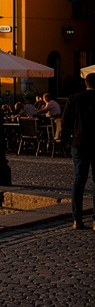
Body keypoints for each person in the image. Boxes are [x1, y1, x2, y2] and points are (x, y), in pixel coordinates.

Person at [60, 73, 95, 230]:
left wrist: (65, 142)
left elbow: (65, 122)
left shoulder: (74, 99)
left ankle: (77, 219)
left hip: (79, 143)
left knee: (79, 180)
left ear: (85, 83)